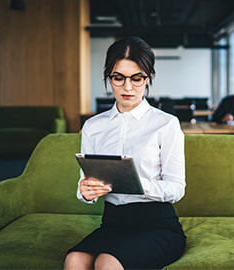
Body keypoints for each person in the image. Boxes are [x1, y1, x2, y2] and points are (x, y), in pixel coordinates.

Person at [64, 37, 186, 269]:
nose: (127, 87)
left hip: (157, 224)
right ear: (109, 77)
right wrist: (86, 192)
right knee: (74, 260)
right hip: (113, 223)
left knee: (106, 263)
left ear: (148, 77)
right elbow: (86, 182)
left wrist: (136, 183)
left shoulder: (166, 124)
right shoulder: (93, 126)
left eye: (137, 78)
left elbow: (177, 189)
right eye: (118, 78)